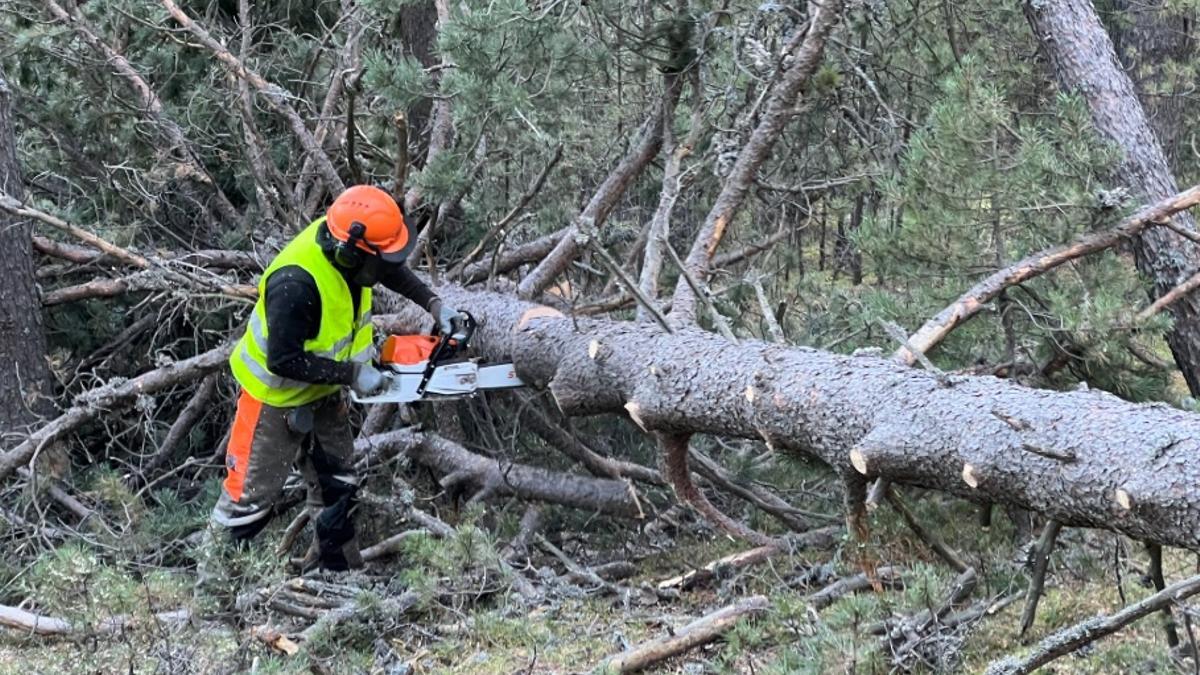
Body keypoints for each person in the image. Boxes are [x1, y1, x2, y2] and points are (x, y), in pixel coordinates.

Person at [196, 185, 465, 598]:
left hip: (323, 389)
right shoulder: (296, 283)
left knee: (338, 484)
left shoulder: (352, 247)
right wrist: (352, 374)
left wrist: (433, 304)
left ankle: (338, 579)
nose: (387, 264)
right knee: (246, 503)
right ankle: (212, 603)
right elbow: (282, 360)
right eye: (380, 257)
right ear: (351, 253)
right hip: (273, 399)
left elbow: (387, 266)